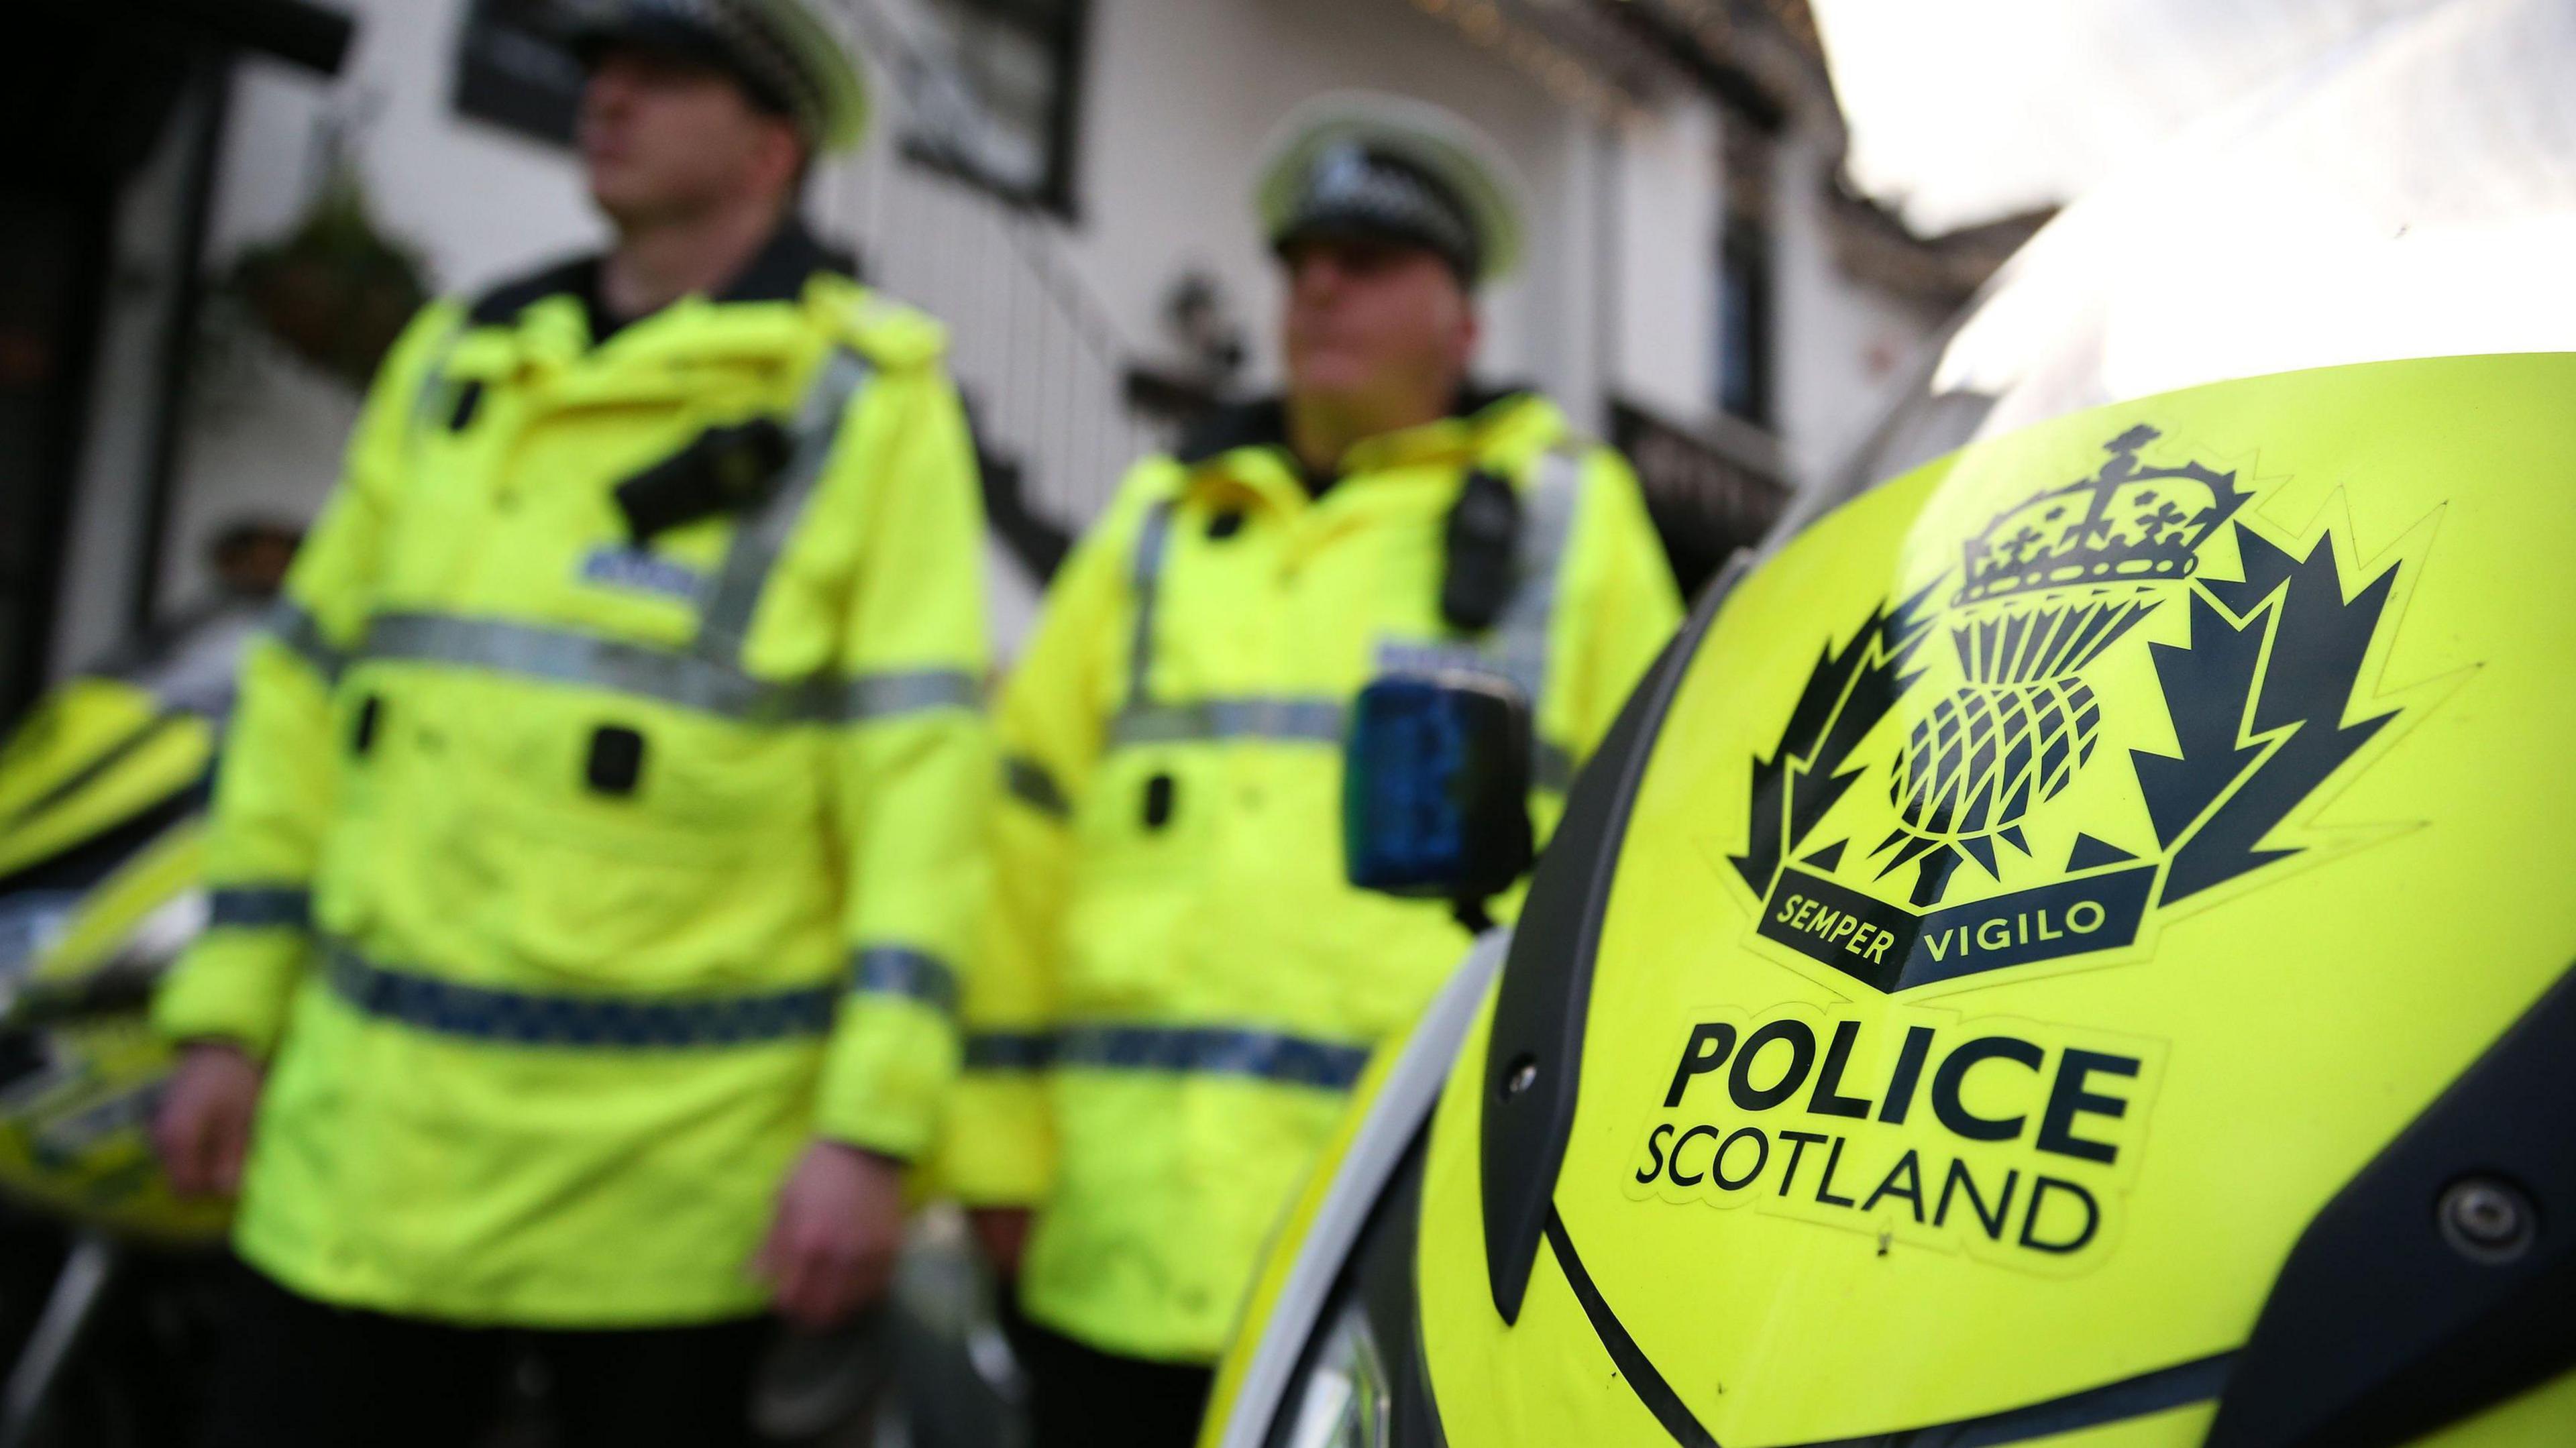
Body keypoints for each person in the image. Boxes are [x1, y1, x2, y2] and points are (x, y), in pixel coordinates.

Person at [147, 1, 991, 1442]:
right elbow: (299, 699)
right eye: (602, 69)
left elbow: (919, 779)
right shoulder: (457, 365)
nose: (606, 97)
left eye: (664, 76)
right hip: (362, 1161)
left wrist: (873, 1129)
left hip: (666, 1204)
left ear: (771, 145)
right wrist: (224, 1018)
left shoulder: (870, 401)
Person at [938, 92, 1684, 1448]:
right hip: (1107, 1257)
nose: (1320, 286)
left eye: (1372, 260)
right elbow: (1022, 839)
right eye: (1302, 262)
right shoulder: (1161, 522)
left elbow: (1649, 879)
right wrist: (991, 1150)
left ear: (1465, 320)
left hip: (1393, 1259)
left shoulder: (1581, 526)